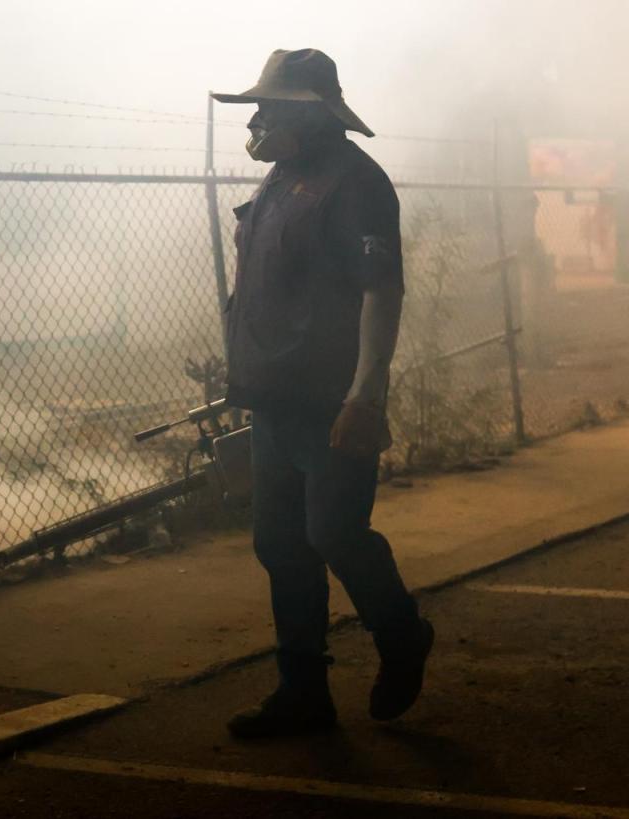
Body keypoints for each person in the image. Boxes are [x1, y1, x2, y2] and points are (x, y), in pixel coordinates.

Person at [211, 49, 434, 738]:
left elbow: (381, 291)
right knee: (281, 544)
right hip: (275, 397)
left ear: (308, 111)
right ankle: (303, 691)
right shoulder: (284, 177)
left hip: (330, 401)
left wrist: (365, 393)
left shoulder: (354, 184)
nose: (256, 119)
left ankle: (401, 633)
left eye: (269, 107)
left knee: (333, 532)